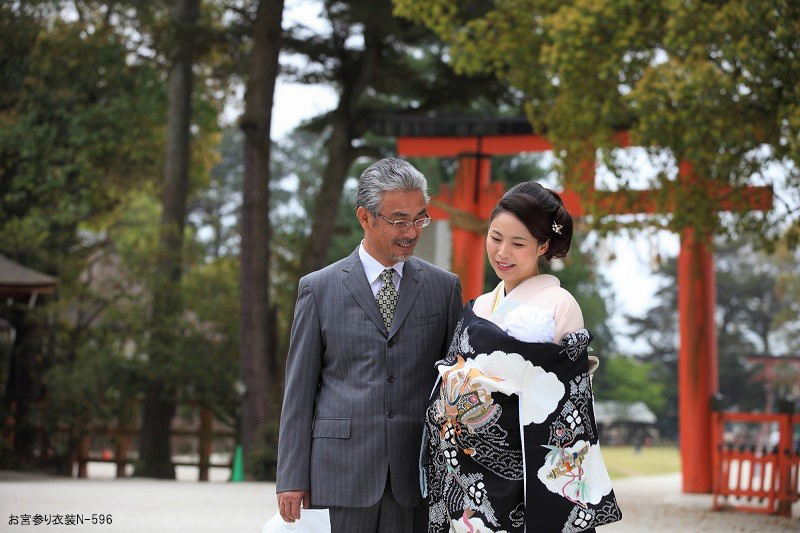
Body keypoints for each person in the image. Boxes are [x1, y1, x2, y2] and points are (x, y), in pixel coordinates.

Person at [276, 158, 463, 533]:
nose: (411, 231)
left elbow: (454, 386)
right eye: (399, 220)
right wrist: (291, 477)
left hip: (415, 476)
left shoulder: (444, 289)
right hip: (338, 474)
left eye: (419, 219)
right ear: (365, 217)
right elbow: (299, 390)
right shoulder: (318, 288)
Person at [421, 182, 621, 533]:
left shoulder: (560, 305)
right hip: (469, 474)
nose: (502, 252)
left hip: (526, 467)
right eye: (495, 238)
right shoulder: (479, 306)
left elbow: (570, 392)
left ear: (543, 246)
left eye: (517, 243)